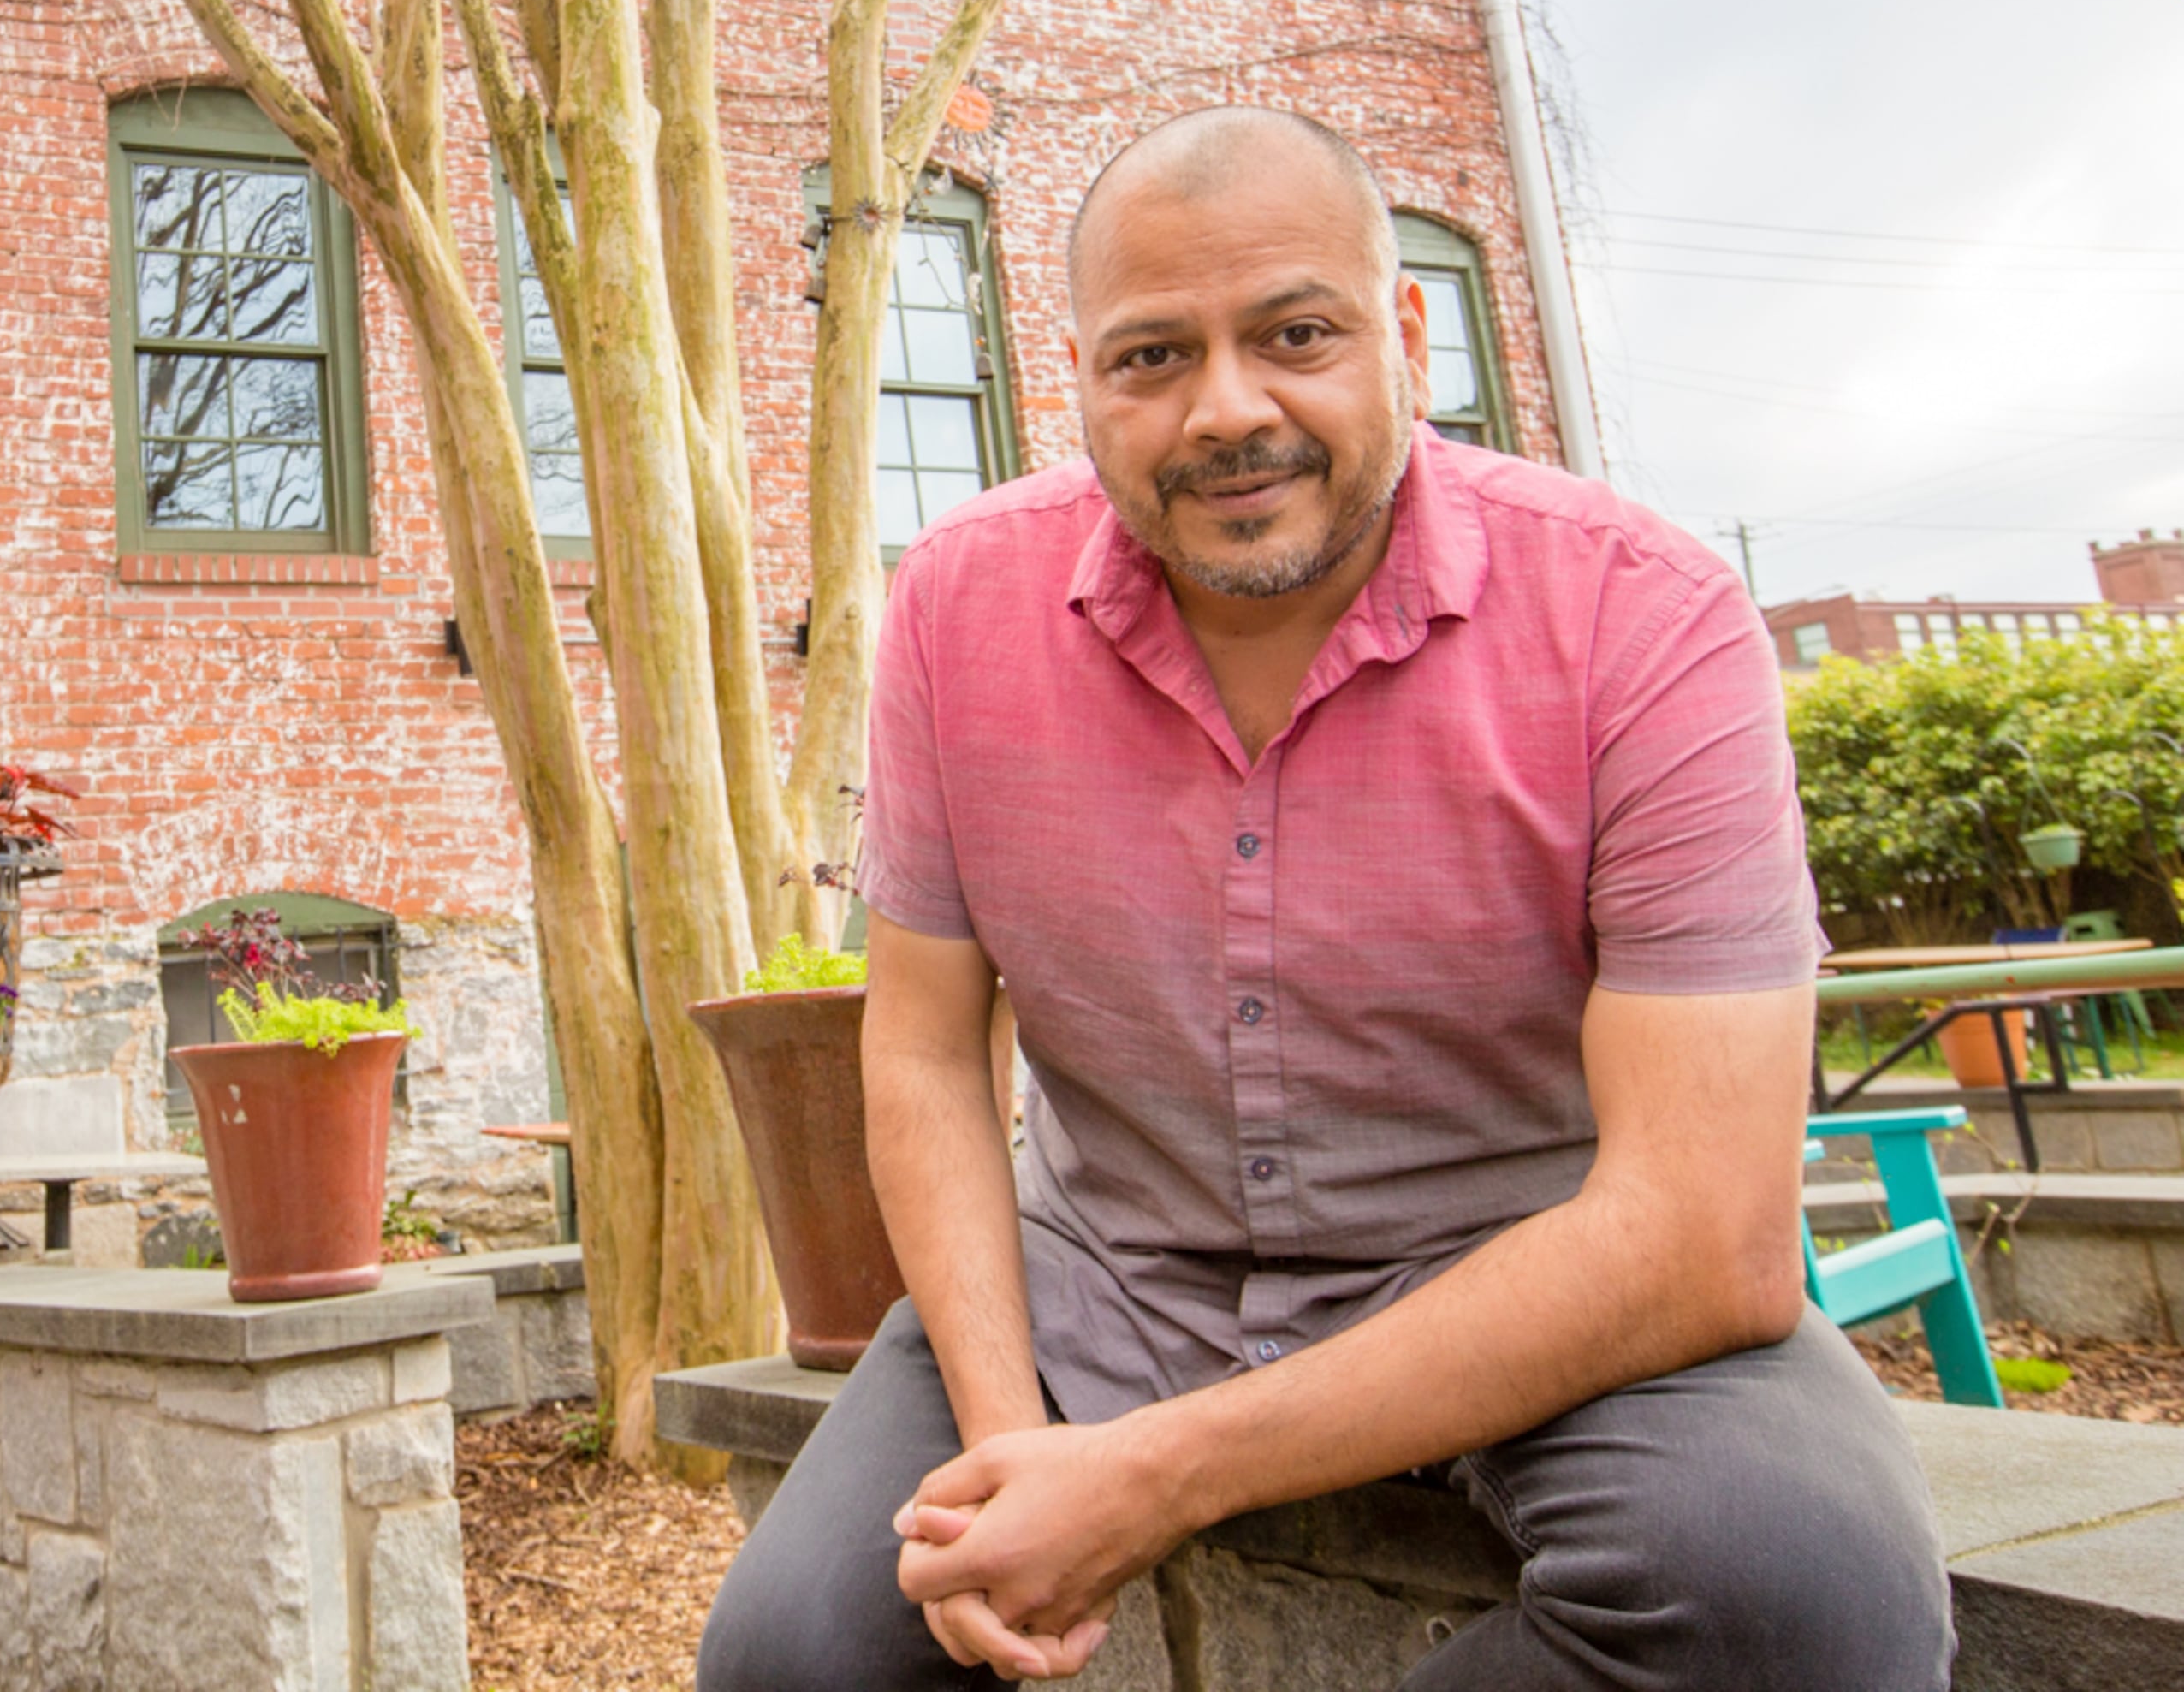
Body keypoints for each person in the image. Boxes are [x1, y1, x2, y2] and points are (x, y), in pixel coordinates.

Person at [697, 107, 1949, 1689]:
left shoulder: (1648, 619)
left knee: (1794, 1602)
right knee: (792, 1656)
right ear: (1074, 371)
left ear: (1406, 335)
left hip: (1529, 1263)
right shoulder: (958, 606)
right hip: (1109, 1269)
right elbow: (928, 1049)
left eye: (1296, 333)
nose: (1228, 411)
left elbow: (1707, 1237)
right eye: (1151, 357)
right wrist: (1021, 1448)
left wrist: (1158, 1473)